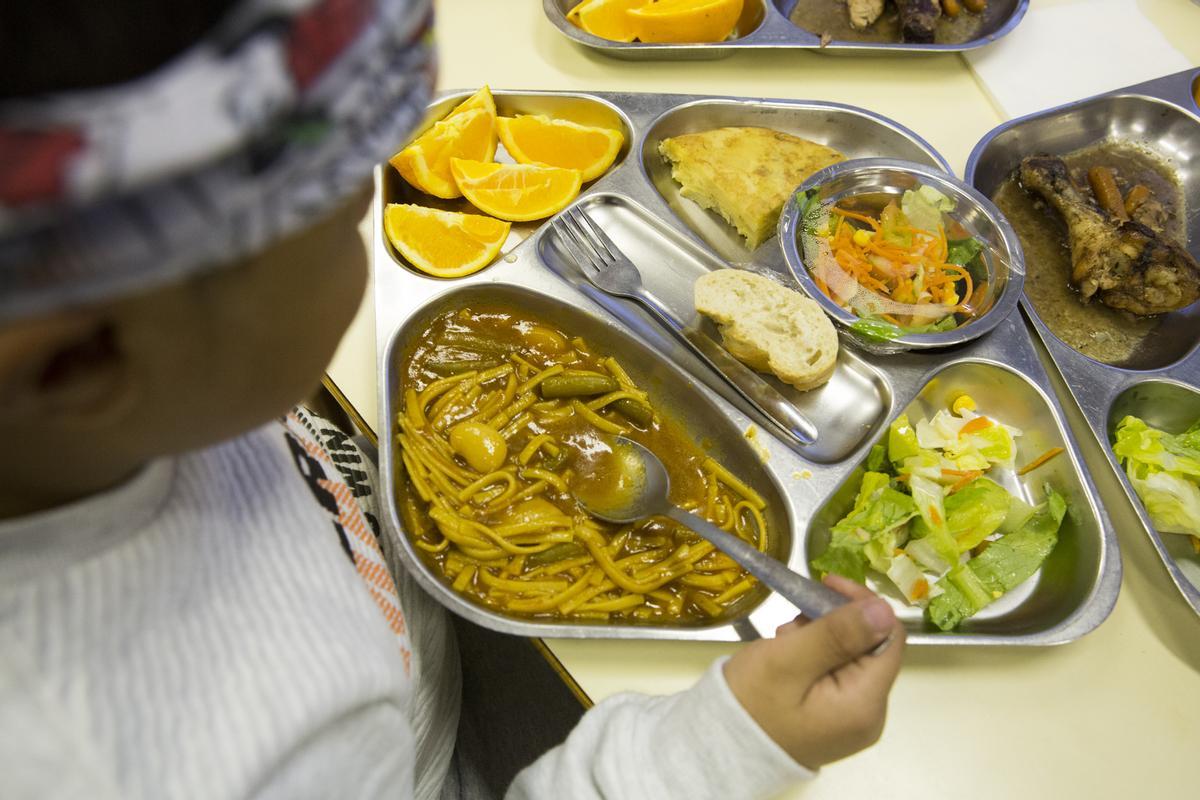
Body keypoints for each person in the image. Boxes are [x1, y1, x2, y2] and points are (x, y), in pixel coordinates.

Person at [0, 0, 906, 798]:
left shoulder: (106, 407)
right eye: (340, 225)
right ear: (76, 365)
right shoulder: (160, 758)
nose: (373, 223)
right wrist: (716, 755)